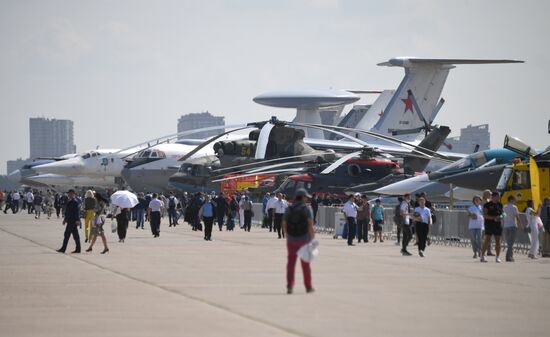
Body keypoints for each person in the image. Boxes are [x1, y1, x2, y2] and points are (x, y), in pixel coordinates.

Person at [283, 188, 315, 294]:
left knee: (291, 263)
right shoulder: (307, 209)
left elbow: (284, 223)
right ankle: (308, 286)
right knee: (305, 264)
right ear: (302, 197)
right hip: (304, 239)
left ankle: (290, 285)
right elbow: (310, 224)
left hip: (291, 239)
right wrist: (312, 238)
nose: (307, 199)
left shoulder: (289, 208)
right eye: (306, 197)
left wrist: (287, 235)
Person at [480, 192, 503, 263]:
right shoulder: (487, 205)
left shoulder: (500, 204)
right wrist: (493, 218)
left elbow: (503, 213)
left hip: (498, 224)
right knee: (487, 239)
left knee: (498, 240)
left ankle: (498, 257)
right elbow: (485, 215)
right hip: (489, 224)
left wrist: (501, 217)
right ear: (493, 197)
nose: (499, 198)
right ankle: (483, 256)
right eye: (498, 196)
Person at [56, 189, 81, 254]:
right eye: (68, 193)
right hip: (70, 220)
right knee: (75, 236)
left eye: (70, 193)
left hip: (72, 221)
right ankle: (78, 249)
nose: (68, 194)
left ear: (73, 194)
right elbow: (68, 212)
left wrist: (77, 220)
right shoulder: (70, 201)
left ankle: (63, 249)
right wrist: (65, 219)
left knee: (67, 235)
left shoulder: (75, 202)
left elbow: (76, 212)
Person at [502, 195, 522, 262]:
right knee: (511, 243)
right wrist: (520, 225)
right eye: (514, 200)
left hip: (506, 226)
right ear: (511, 200)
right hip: (513, 225)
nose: (515, 201)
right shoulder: (514, 207)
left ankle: (510, 256)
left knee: (509, 242)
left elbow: (503, 216)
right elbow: (517, 216)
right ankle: (508, 257)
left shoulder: (504, 207)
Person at [482, 189, 495, 256]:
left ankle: (489, 251)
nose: (490, 195)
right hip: (483, 222)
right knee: (484, 237)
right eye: (489, 194)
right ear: (485, 194)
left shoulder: (488, 201)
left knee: (489, 237)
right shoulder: (482, 202)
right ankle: (482, 251)